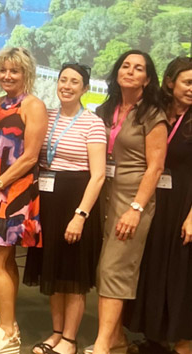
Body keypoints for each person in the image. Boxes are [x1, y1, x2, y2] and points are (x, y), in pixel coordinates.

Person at [22, 63, 106, 354]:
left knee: (72, 276)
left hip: (76, 202)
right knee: (53, 273)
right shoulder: (46, 116)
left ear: (85, 89)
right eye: (63, 80)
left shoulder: (93, 123)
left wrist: (80, 216)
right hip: (48, 202)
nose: (67, 86)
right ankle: (57, 333)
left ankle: (70, 340)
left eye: (74, 82)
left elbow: (98, 175)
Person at [90, 50, 167, 354]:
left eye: (138, 68)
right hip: (103, 195)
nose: (130, 71)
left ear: (147, 79)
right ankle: (118, 338)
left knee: (114, 269)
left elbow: (156, 167)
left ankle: (102, 345)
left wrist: (136, 209)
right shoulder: (105, 110)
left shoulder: (153, 114)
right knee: (104, 268)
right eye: (125, 66)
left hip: (133, 200)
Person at [0, 46, 47, 354]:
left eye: (14, 71)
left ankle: (8, 333)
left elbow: (30, 157)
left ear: (26, 73)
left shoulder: (34, 106)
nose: (7, 76)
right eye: (3, 70)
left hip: (15, 194)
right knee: (4, 260)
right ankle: (8, 322)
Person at [124, 56, 191, 354]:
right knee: (153, 268)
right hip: (155, 200)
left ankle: (184, 343)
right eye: (188, 82)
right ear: (170, 82)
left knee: (181, 274)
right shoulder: (158, 113)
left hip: (184, 204)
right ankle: (156, 337)